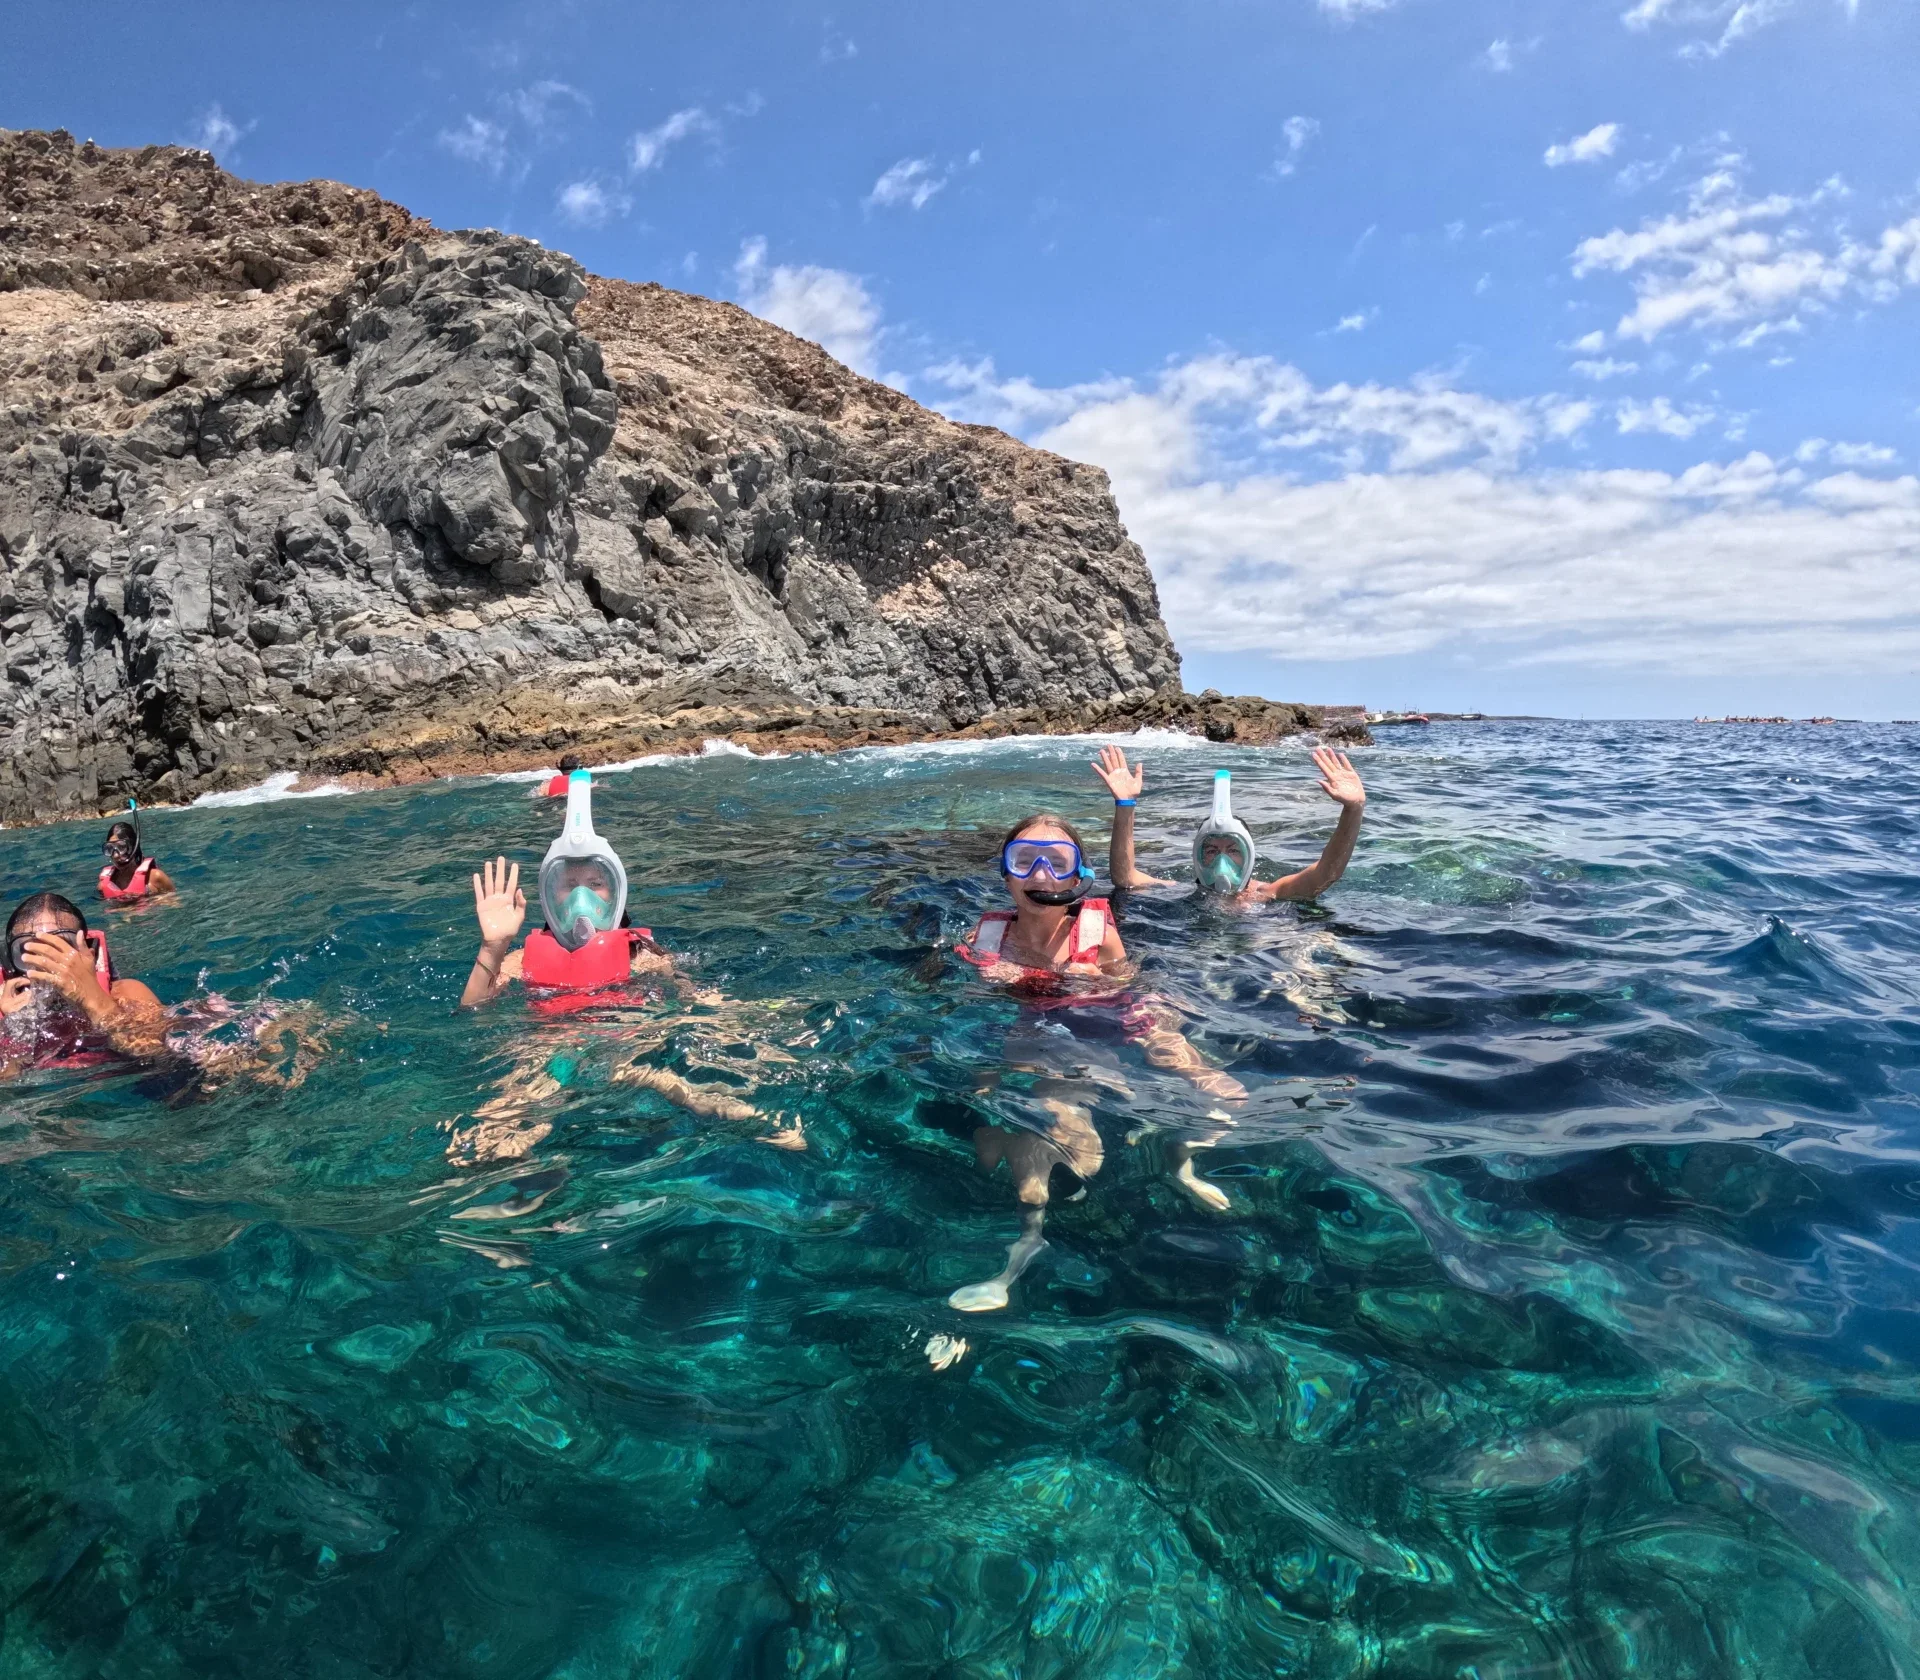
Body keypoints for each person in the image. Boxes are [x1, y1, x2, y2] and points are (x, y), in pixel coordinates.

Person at [947, 813, 1247, 1313]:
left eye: (1056, 862)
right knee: (1048, 1143)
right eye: (1024, 862)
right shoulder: (989, 934)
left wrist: (1184, 1059)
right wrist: (989, 979)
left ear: (1077, 876)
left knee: (1219, 1099)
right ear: (1006, 876)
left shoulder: (1096, 929)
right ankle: (1023, 1237)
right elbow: (973, 1006)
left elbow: (1133, 997)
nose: (1041, 874)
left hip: (1095, 1027)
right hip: (1027, 1033)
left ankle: (1178, 1160)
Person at [455, 769, 802, 1155]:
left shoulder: (641, 956)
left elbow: (694, 998)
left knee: (689, 1087)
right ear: (550, 894)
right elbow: (473, 1009)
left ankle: (754, 1119)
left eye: (595, 884)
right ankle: (530, 1185)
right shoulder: (519, 959)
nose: (580, 899)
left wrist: (745, 1017)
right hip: (550, 1050)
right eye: (569, 885)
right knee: (503, 1118)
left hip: (628, 1046)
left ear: (616, 891)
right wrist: (493, 946)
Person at [1093, 743, 1367, 901]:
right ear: (1198, 857)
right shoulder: (1184, 892)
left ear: (1249, 855)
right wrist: (1125, 804)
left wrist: (1353, 809)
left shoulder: (1266, 894)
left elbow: (1326, 875)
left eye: (1233, 850)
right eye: (1211, 850)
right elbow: (1125, 878)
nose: (1221, 862)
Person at [0, 892, 166, 1072]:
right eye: (30, 951)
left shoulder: (126, 994)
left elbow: (161, 1054)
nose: (46, 962)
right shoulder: (4, 1015)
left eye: (61, 947)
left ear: (89, 955)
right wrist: (16, 1032)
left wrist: (94, 1002)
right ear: (10, 964)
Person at [97, 820, 175, 903]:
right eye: (109, 849)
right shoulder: (102, 886)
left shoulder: (156, 877)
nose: (115, 855)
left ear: (133, 846)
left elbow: (175, 905)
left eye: (121, 847)